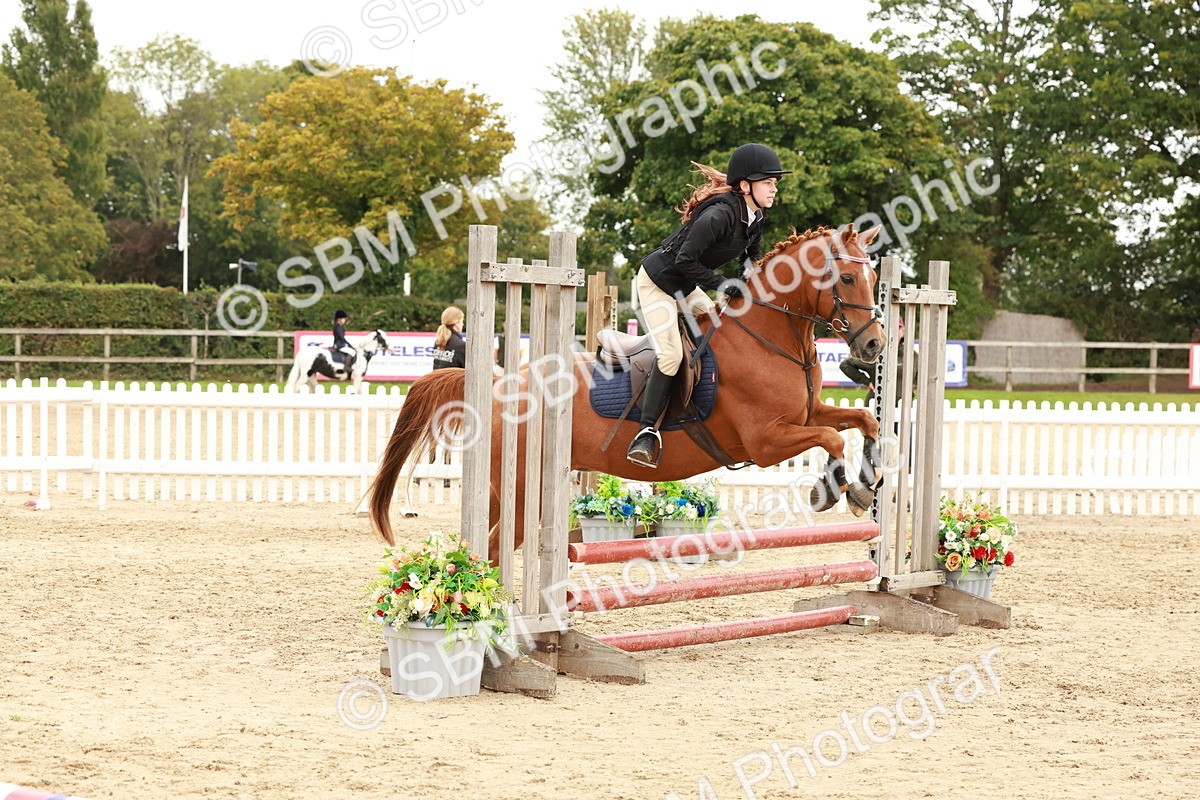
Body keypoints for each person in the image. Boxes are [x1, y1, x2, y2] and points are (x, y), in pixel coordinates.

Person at [627, 143, 790, 468]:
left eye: (775, 182)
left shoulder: (755, 216)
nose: (774, 187)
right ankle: (645, 433)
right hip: (657, 283)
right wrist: (723, 285)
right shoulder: (718, 215)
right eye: (767, 181)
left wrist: (754, 281)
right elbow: (686, 260)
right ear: (745, 186)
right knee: (672, 354)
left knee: (721, 333)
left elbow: (749, 257)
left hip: (686, 287)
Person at [432, 306, 466, 370]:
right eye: (462, 321)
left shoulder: (438, 342)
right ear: (456, 323)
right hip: (452, 380)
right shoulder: (461, 345)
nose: (462, 324)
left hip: (436, 379)